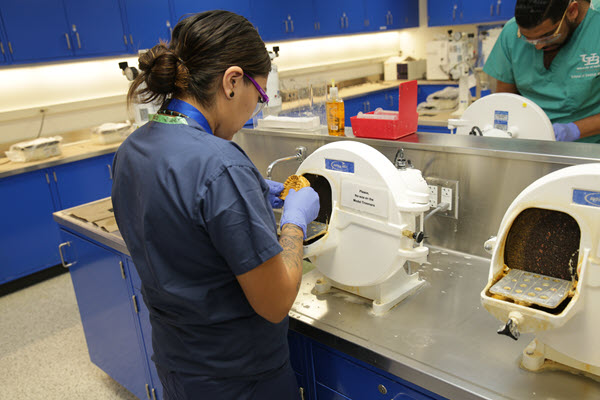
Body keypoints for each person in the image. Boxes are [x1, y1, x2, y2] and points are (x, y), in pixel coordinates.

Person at [111, 10, 320, 400]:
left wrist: (249, 191)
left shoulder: (131, 150)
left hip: (178, 364)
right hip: (240, 378)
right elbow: (276, 302)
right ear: (232, 81)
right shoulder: (222, 165)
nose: (254, 110)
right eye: (258, 97)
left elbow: (184, 230)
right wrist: (294, 221)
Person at [483, 0, 600, 143]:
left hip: (591, 150)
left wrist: (574, 130)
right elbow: (505, 102)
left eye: (548, 36)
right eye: (529, 40)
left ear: (572, 11)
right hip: (531, 145)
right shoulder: (512, 32)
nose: (538, 46)